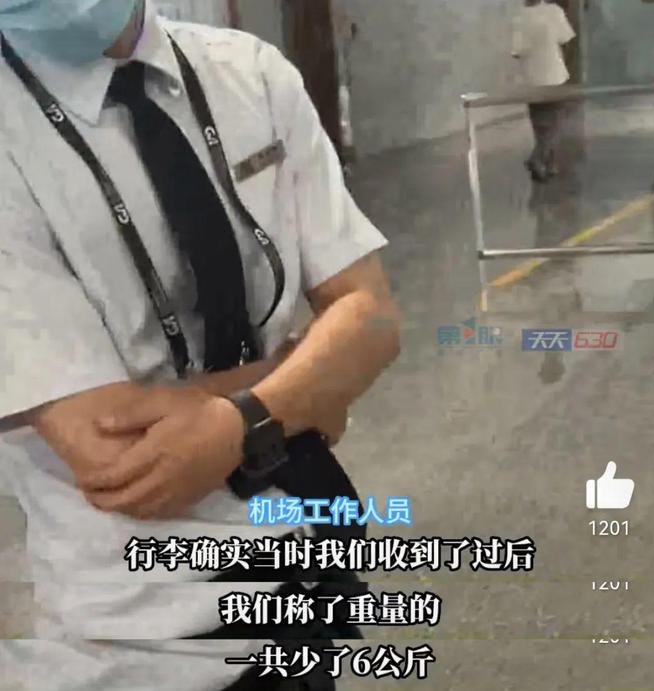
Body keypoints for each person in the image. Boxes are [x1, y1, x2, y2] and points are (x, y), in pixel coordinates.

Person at [0, 1, 401, 690]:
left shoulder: (252, 74)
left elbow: (373, 317)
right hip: (135, 638)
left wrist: (237, 421)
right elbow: (115, 452)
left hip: (296, 574)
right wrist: (300, 381)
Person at [512, 0, 576, 182]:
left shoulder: (519, 16)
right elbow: (567, 40)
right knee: (556, 121)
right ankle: (538, 158)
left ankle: (549, 163)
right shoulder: (553, 11)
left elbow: (517, 52)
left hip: (532, 77)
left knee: (539, 124)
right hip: (555, 74)